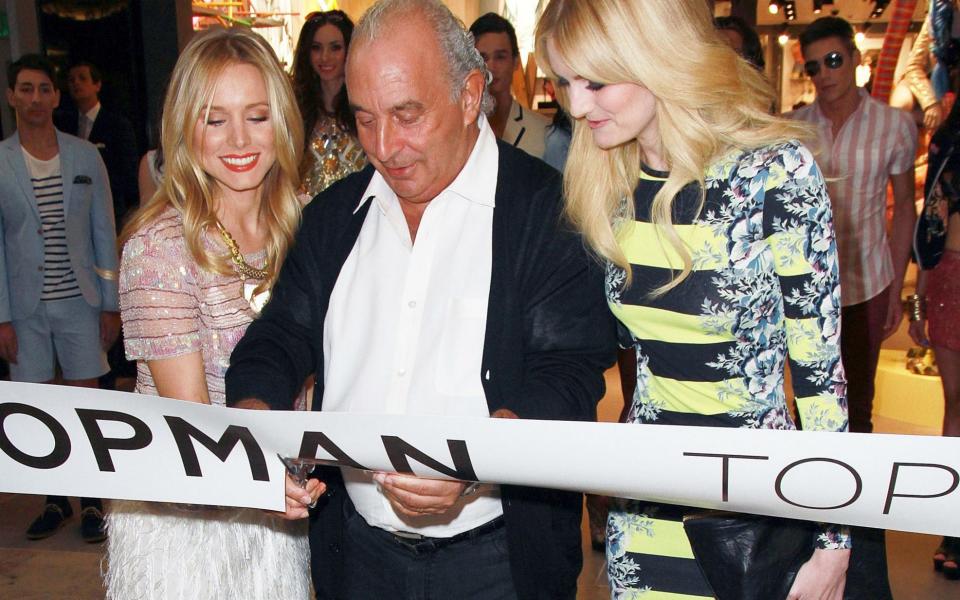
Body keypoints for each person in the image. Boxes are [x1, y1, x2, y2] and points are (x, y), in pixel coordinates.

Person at [225, 1, 616, 599]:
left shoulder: (547, 210)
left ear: (468, 95)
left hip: (499, 562)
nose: (385, 145)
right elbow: (278, 337)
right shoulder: (334, 217)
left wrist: (477, 458)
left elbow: (570, 372)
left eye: (407, 115)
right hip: (354, 551)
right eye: (365, 119)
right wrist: (257, 424)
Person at [536, 1, 852, 599]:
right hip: (646, 505)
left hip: (754, 505)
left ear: (656, 56)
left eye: (596, 82)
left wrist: (833, 539)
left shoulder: (774, 173)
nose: (576, 107)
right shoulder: (606, 180)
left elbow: (820, 376)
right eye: (564, 81)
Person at [104, 28, 317, 599]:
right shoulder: (159, 247)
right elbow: (192, 429)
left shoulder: (308, 226)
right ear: (183, 128)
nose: (239, 139)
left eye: (257, 115)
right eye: (214, 118)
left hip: (280, 518)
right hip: (188, 524)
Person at [1, 53, 119, 544]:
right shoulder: (2, 160)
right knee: (40, 408)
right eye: (25, 88)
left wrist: (111, 302)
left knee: (84, 405)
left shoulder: (84, 155)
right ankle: (54, 500)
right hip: (24, 308)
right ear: (11, 96)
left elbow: (103, 231)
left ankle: (92, 501)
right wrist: (1, 317)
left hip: (80, 302)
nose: (35, 98)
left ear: (55, 96)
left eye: (43, 88)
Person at [790, 16, 917, 435]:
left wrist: (896, 286)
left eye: (832, 60)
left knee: (859, 401)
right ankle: (797, 496)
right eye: (813, 66)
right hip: (805, 284)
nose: (824, 74)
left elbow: (902, 214)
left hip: (868, 282)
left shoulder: (894, 125)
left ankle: (849, 496)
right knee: (806, 398)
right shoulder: (795, 129)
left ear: (854, 58)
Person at [910, 95, 960, 581]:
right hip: (950, 276)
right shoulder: (950, 137)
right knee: (956, 403)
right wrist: (920, 297)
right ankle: (954, 527)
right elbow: (931, 217)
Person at [291, 9, 366, 198]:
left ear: (351, 49)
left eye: (335, 48)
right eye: (316, 48)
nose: (325, 57)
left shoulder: (368, 107)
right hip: (306, 219)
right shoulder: (294, 109)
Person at [55, 61, 139, 228]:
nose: (76, 83)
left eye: (82, 78)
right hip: (74, 213)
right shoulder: (64, 126)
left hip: (110, 209)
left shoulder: (117, 125)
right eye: (72, 80)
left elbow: (128, 173)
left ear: (97, 85)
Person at [470, 12, 551, 159]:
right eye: (482, 58)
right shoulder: (458, 130)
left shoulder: (544, 133)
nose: (491, 67)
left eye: (500, 57)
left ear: (515, 61)